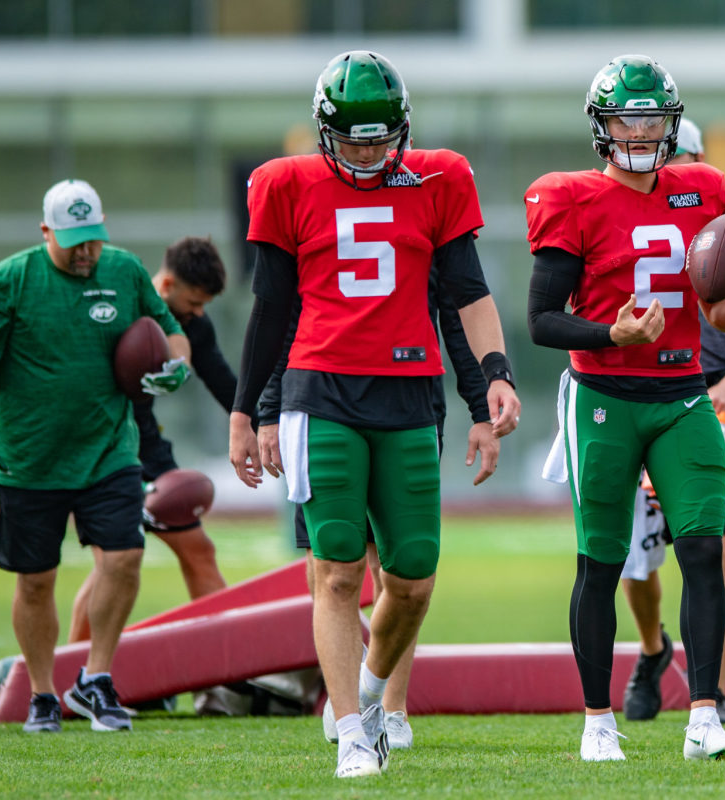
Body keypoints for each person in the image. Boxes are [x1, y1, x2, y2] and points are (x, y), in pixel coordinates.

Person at [227, 50, 520, 779]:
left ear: (403, 128)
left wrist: (494, 378)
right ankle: (355, 733)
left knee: (412, 578)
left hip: (407, 390)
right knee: (333, 570)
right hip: (319, 389)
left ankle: (362, 690)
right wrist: (245, 410)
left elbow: (468, 292)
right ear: (325, 131)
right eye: (353, 137)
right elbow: (271, 310)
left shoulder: (439, 176)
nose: (366, 150)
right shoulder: (286, 183)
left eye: (379, 136)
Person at [526, 55, 725, 763]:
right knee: (600, 561)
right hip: (603, 395)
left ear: (672, 123)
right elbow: (543, 319)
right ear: (601, 126)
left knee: (701, 549)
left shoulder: (702, 188)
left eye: (651, 118)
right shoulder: (570, 197)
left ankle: (702, 717)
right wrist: (614, 333)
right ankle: (597, 723)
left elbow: (719, 318)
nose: (639, 131)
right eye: (626, 118)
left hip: (682, 393)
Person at [0, 179, 192, 733]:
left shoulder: (125, 271)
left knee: (124, 557)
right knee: (36, 580)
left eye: (94, 240)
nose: (86, 252)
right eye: (73, 241)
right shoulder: (11, 280)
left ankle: (96, 679)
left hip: (108, 449)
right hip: (28, 459)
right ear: (45, 232)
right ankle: (40, 694)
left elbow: (172, 331)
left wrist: (177, 366)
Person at [257, 258, 499, 750]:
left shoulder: (425, 209)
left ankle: (388, 703)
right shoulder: (313, 204)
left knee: (402, 573)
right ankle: (347, 708)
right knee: (332, 568)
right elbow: (280, 317)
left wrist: (480, 406)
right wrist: (266, 407)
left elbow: (457, 316)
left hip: (408, 404)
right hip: (323, 402)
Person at [620, 118, 725, 726]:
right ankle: (653, 649)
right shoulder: (623, 216)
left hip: (713, 403)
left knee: (715, 550)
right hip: (640, 395)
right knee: (635, 558)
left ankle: (709, 687)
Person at [68, 236, 233, 644]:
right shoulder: (117, 310)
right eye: (194, 301)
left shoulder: (194, 325)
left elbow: (224, 384)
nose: (198, 312)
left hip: (147, 444)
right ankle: (75, 672)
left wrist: (266, 427)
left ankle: (227, 670)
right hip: (101, 445)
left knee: (198, 550)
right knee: (115, 562)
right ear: (165, 286)